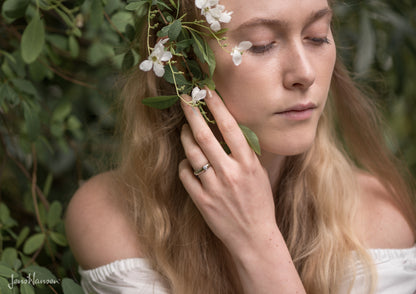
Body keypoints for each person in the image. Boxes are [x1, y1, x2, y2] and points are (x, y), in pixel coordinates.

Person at [65, 0, 416, 293]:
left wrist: (256, 240)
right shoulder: (112, 217)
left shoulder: (378, 223)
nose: (305, 73)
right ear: (183, 66)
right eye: (262, 44)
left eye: (317, 37)